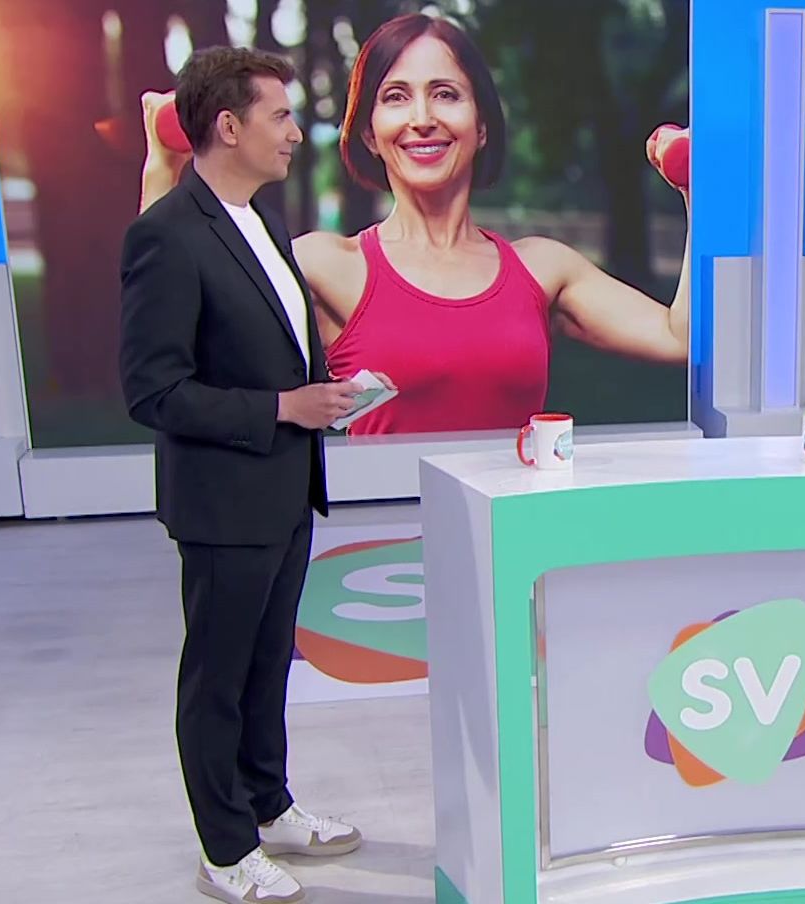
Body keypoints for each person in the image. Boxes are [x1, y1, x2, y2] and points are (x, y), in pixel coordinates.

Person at [138, 13, 690, 435]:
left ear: (481, 126)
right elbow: (177, 327)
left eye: (445, 94)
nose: (422, 118)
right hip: (379, 545)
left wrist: (697, 194)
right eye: (396, 97)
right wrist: (164, 168)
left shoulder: (543, 268)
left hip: (504, 535)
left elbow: (678, 336)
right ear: (370, 133)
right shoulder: (324, 265)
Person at [119, 47, 380, 903]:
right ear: (228, 126)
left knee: (268, 670)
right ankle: (226, 849)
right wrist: (280, 408)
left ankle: (269, 806)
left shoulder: (260, 220)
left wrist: (327, 395)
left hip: (285, 491)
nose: (294, 133)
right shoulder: (166, 235)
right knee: (218, 681)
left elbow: (272, 346)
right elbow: (153, 391)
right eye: (279, 115)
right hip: (223, 503)